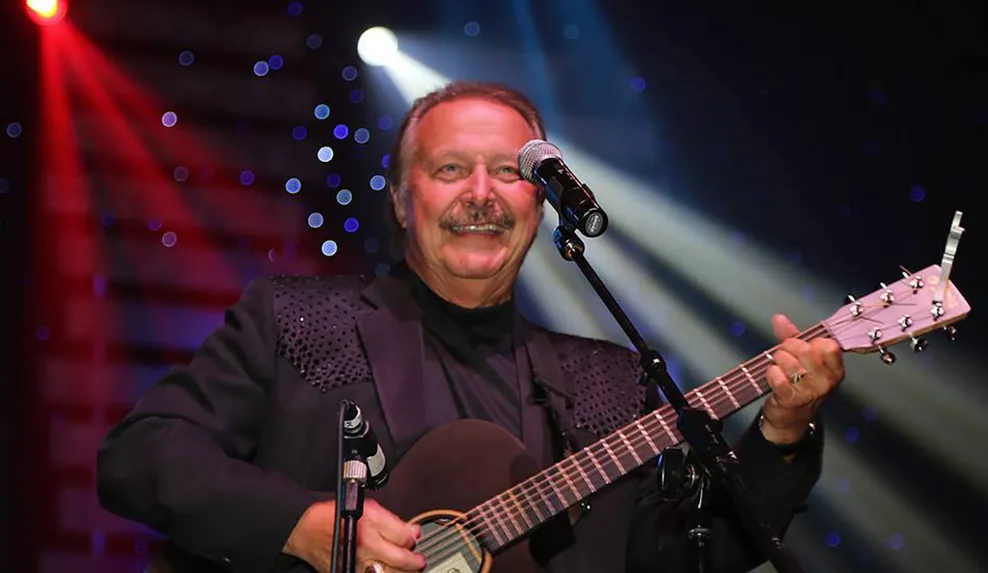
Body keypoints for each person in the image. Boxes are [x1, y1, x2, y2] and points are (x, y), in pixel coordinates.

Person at [97, 81, 844, 573]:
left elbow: (678, 556)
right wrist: (296, 521)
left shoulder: (607, 380)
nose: (481, 195)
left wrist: (780, 434)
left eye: (509, 172)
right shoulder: (296, 320)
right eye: (451, 170)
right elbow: (140, 454)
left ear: (542, 203)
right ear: (400, 200)